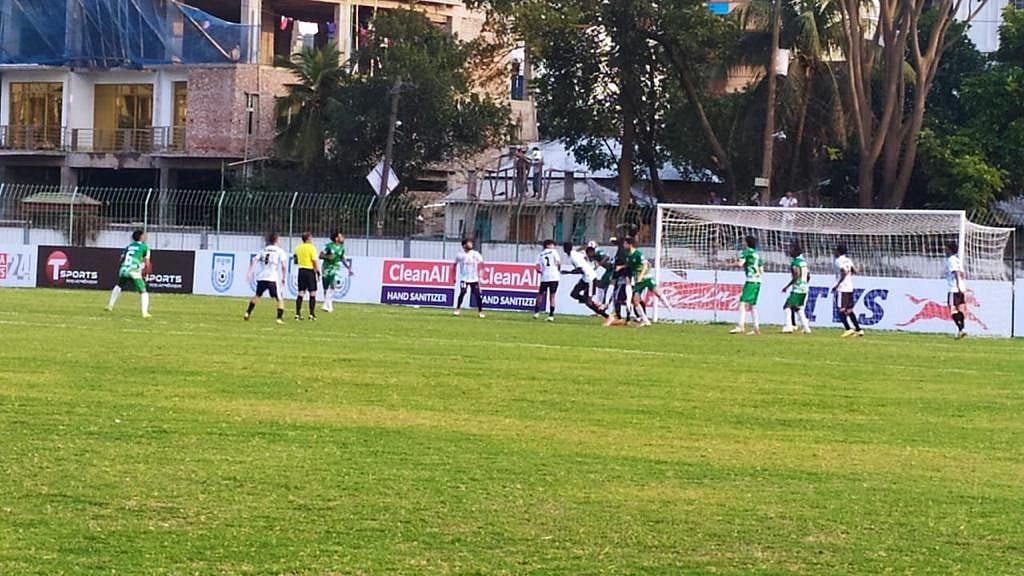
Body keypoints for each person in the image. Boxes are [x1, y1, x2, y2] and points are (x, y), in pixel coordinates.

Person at [105, 229, 151, 318]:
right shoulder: (145, 247)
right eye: (144, 235)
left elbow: (121, 259)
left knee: (119, 285)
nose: (145, 237)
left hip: (124, 268)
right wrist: (146, 273)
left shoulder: (128, 246)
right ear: (141, 237)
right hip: (133, 270)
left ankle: (110, 305)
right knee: (143, 291)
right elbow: (147, 262)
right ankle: (144, 313)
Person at [245, 233, 288, 324]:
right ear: (276, 240)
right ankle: (279, 318)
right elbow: (283, 266)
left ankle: (247, 313)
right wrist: (284, 277)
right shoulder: (280, 251)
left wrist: (249, 272)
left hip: (262, 276)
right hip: (272, 278)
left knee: (257, 296)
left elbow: (254, 260)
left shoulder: (263, 250)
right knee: (279, 298)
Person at [562, 241, 609, 319]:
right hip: (585, 278)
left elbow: (580, 270)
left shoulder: (573, 256)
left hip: (590, 278)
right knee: (574, 294)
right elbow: (585, 256)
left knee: (588, 302)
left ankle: (607, 317)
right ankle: (592, 302)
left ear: (564, 250)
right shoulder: (574, 253)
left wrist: (569, 272)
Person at [730, 235, 762, 335]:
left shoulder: (745, 252)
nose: (742, 243)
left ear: (747, 242)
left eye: (744, 241)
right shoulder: (757, 254)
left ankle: (740, 326)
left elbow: (740, 264)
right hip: (758, 280)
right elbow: (761, 269)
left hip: (751, 280)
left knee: (742, 302)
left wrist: (731, 264)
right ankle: (756, 328)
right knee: (752, 305)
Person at [832, 244, 864, 337]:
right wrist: (860, 268)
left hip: (843, 288)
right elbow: (854, 271)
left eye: (835, 251)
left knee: (841, 310)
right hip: (850, 287)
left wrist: (837, 285)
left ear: (838, 252)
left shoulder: (838, 261)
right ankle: (859, 329)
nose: (834, 252)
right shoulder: (848, 260)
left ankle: (848, 329)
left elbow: (844, 272)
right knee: (849, 310)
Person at [780, 243, 812, 334]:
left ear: (795, 252)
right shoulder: (804, 262)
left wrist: (787, 286)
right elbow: (809, 276)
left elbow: (796, 275)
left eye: (791, 249)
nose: (789, 251)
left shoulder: (795, 263)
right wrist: (804, 283)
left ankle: (789, 326)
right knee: (799, 308)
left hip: (797, 288)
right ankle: (806, 328)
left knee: (787, 306)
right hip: (804, 288)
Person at [320, 232, 353, 313]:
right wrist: (328, 257)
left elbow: (342, 258)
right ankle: (327, 304)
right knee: (326, 287)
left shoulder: (342, 248)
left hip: (335, 268)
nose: (343, 238)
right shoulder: (328, 246)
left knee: (333, 285)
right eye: (341, 236)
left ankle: (327, 304)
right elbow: (320, 255)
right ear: (336, 238)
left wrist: (348, 268)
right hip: (326, 268)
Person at [453, 238, 485, 318]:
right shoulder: (460, 255)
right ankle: (457, 309)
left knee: (477, 295)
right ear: (464, 245)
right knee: (463, 292)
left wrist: (481, 273)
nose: (471, 244)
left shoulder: (475, 254)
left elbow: (481, 263)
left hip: (474, 279)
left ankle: (480, 311)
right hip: (464, 278)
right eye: (469, 243)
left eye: (471, 243)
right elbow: (454, 265)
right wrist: (454, 276)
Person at [293, 232, 321, 321]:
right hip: (310, 271)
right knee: (312, 293)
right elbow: (314, 261)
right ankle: (311, 314)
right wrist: (318, 271)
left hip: (301, 270)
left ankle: (297, 314)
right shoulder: (311, 248)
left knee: (301, 292)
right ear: (308, 238)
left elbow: (295, 260)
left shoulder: (298, 247)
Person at [532, 239, 561, 320]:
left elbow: (537, 268)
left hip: (545, 277)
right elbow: (558, 263)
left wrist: (542, 272)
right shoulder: (554, 252)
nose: (553, 246)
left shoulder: (540, 254)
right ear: (548, 245)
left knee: (540, 295)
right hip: (554, 277)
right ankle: (551, 315)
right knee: (552, 296)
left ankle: (536, 313)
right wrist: (558, 270)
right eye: (552, 244)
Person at [945, 241, 968, 339]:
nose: (945, 250)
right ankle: (961, 330)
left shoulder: (951, 260)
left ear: (949, 249)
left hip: (954, 288)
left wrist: (957, 285)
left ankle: (961, 329)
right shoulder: (958, 260)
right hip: (961, 288)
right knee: (960, 309)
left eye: (946, 248)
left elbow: (957, 273)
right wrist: (961, 286)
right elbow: (962, 274)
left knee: (952, 309)